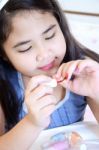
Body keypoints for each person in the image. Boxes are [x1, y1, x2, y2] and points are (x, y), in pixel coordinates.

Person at [0, 0, 99, 149]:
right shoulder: (4, 85)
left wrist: (96, 92)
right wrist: (32, 123)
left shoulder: (83, 71)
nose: (44, 54)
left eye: (50, 36)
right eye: (26, 48)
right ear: (4, 55)